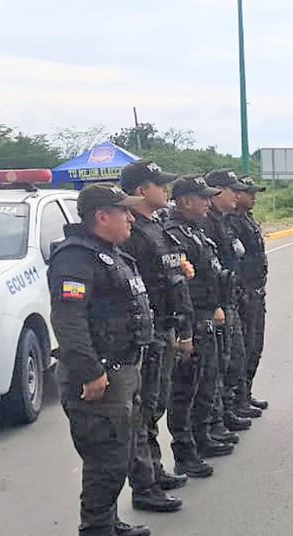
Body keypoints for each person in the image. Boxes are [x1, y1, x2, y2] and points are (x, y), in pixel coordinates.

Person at [49, 183, 155, 536]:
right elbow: (69, 321)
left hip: (120, 369)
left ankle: (108, 521)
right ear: (101, 216)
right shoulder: (75, 259)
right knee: (104, 458)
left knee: (120, 451)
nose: (130, 217)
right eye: (122, 211)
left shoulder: (110, 254)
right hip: (100, 376)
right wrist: (90, 372)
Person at [118, 160, 191, 513]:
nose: (165, 190)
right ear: (140, 191)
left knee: (155, 404)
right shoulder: (132, 234)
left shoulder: (156, 227)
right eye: (158, 184)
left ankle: (154, 470)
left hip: (165, 326)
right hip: (149, 332)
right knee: (143, 410)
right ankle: (144, 485)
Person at [164, 175, 236, 475]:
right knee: (186, 391)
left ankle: (202, 437)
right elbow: (181, 285)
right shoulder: (174, 234)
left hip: (207, 315)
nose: (208, 202)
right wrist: (187, 327)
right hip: (192, 319)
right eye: (203, 198)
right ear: (186, 201)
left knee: (207, 380)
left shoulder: (195, 231)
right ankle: (186, 451)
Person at [203, 169, 260, 433]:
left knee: (240, 353)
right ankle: (221, 415)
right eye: (232, 190)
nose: (238, 195)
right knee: (222, 364)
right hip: (220, 304)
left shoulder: (226, 221)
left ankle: (236, 402)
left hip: (238, 296)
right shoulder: (209, 225)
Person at [229, 175, 269, 410]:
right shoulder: (231, 222)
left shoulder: (247, 219)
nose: (252, 197)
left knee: (254, 346)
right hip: (244, 293)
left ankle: (245, 394)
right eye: (248, 192)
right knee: (242, 349)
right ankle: (238, 399)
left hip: (256, 291)